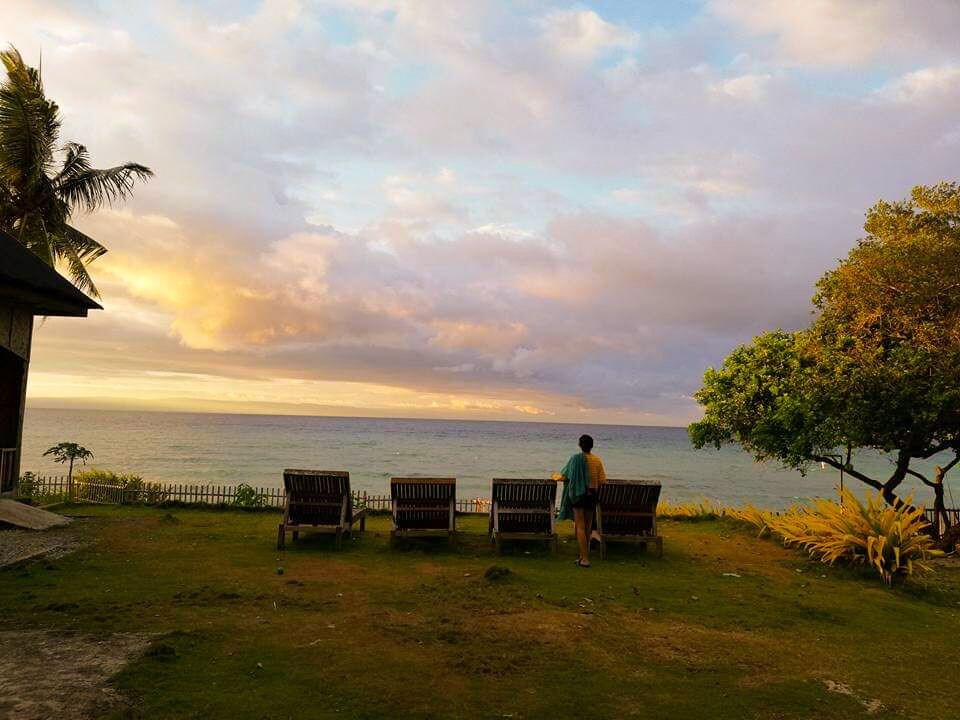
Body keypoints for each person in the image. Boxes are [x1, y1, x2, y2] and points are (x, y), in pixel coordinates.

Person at [554, 434, 606, 567]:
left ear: (579, 445)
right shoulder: (597, 460)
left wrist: (556, 477)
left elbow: (566, 475)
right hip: (592, 495)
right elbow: (601, 481)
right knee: (588, 527)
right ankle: (583, 556)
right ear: (591, 446)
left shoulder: (575, 459)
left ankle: (585, 559)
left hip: (579, 495)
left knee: (581, 527)